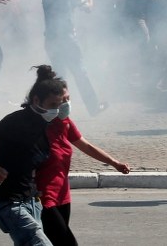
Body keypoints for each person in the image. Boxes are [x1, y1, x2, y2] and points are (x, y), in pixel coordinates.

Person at [31, 65, 131, 246]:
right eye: (59, 103)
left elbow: (86, 146)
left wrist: (114, 162)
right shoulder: (31, 126)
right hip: (43, 197)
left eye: (66, 100)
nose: (65, 105)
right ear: (40, 102)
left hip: (63, 195)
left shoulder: (65, 123)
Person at [0, 73, 68, 245]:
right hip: (10, 203)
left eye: (58, 105)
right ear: (37, 101)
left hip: (33, 202)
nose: (56, 110)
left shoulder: (47, 124)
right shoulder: (16, 121)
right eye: (52, 105)